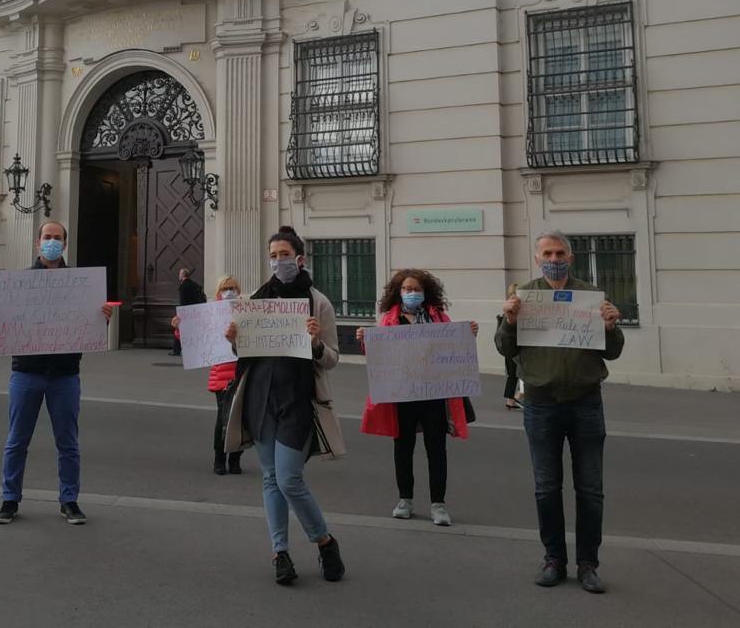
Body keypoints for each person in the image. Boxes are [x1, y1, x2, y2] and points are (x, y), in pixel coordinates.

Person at [497, 230, 624, 594]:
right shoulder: (524, 297)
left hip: (586, 402)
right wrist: (509, 320)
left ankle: (588, 564)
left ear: (571, 255)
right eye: (548, 254)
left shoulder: (590, 296)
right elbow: (505, 348)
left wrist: (612, 328)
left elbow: (612, 351)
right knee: (546, 488)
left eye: (560, 253)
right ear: (537, 259)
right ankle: (554, 559)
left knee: (590, 489)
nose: (554, 259)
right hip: (540, 404)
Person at [223, 226, 345, 587]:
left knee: (289, 478)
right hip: (260, 401)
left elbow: (332, 359)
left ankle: (324, 541)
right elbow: (243, 353)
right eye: (273, 255)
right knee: (271, 478)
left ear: (300, 259)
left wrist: (317, 342)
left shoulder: (318, 303)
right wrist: (233, 340)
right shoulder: (255, 300)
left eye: (285, 255)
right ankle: (280, 553)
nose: (279, 261)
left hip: (297, 401)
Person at [0, 221, 113, 526]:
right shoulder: (19, 282)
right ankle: (9, 499)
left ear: (64, 244)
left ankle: (70, 501)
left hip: (65, 375)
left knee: (68, 443)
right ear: (38, 243)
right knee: (16, 440)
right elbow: (5, 323)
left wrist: (102, 317)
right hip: (27, 372)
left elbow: (89, 327)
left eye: (57, 238)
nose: (52, 242)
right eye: (47, 237)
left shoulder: (81, 284)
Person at [359, 269, 477, 527]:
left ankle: (439, 504)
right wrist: (365, 341)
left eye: (416, 289)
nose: (412, 293)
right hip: (402, 397)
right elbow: (379, 357)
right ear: (398, 293)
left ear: (426, 293)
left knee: (436, 450)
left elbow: (454, 348)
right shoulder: (388, 321)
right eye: (407, 289)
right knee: (403, 449)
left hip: (433, 396)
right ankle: (405, 500)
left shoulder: (440, 319)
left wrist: (469, 335)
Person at [171, 274, 244, 475]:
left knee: (240, 420)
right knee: (223, 419)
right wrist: (179, 328)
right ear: (219, 292)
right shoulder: (209, 314)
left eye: (233, 288)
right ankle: (219, 460)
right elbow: (192, 336)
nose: (229, 291)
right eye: (225, 288)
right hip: (222, 377)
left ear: (239, 291)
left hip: (243, 375)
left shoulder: (245, 312)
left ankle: (235, 459)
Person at [170, 266, 206, 357]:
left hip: (185, 312)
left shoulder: (183, 286)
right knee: (192, 331)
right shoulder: (195, 285)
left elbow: (183, 301)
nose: (178, 275)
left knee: (178, 330)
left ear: (182, 275)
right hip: (194, 311)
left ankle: (176, 350)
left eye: (179, 274)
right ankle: (192, 349)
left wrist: (180, 313)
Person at [501, 283, 523, 410]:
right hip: (514, 348)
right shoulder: (510, 309)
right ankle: (514, 397)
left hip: (510, 348)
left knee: (513, 374)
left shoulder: (508, 308)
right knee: (515, 373)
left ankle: (512, 398)